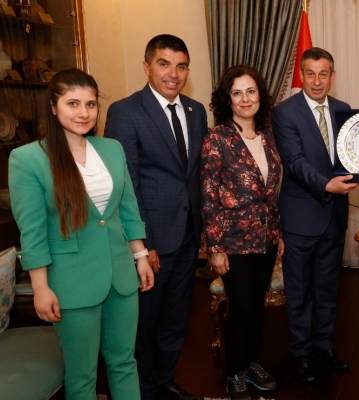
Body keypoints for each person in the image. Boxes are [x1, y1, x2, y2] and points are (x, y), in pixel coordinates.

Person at [9, 68, 154, 400]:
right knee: (82, 374)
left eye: (90, 104)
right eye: (72, 103)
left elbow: (127, 208)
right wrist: (40, 287)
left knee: (124, 363)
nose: (83, 113)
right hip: (71, 281)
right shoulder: (28, 159)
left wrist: (140, 256)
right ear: (53, 106)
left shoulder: (112, 148)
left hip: (121, 275)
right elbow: (32, 231)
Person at [105, 34, 207, 400]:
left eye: (181, 66)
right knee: (143, 323)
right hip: (150, 242)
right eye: (164, 64)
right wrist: (142, 245)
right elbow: (126, 184)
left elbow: (196, 174)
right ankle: (141, 389)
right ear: (147, 66)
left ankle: (164, 381)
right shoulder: (125, 111)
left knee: (176, 319)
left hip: (188, 236)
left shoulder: (196, 111)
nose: (173, 74)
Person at [272, 47, 357, 382]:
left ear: (333, 76)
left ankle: (324, 345)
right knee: (299, 290)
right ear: (302, 75)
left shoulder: (344, 110)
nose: (317, 81)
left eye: (323, 74)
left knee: (328, 286)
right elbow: (293, 162)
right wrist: (327, 185)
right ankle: (301, 351)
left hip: (334, 216)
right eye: (310, 74)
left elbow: (353, 156)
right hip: (300, 217)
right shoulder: (285, 112)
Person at [201, 65, 284, 399]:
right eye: (237, 93)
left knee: (257, 306)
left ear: (260, 95)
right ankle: (234, 372)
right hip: (232, 241)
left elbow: (272, 191)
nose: (245, 99)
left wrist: (278, 233)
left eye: (250, 91)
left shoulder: (268, 136)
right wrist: (215, 248)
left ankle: (251, 363)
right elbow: (208, 196)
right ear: (228, 99)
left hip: (266, 239)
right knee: (242, 307)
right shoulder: (217, 139)